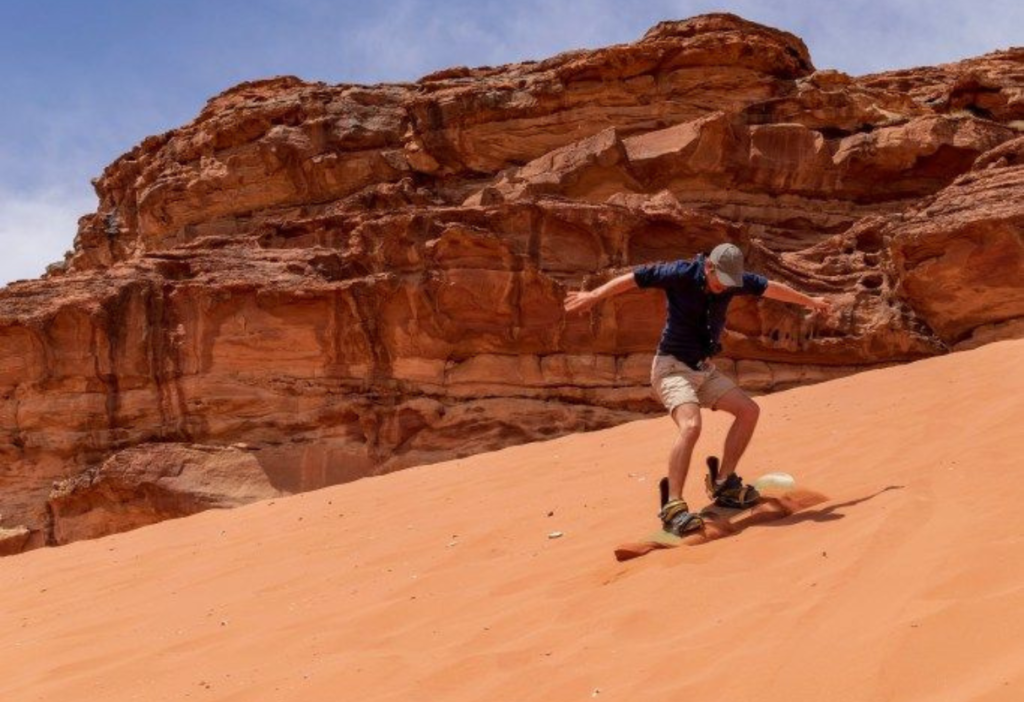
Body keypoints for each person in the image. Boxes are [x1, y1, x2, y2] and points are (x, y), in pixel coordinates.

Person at [564, 243, 831, 536]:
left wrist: (811, 302)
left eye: (730, 283)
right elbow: (635, 277)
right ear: (708, 267)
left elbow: (771, 288)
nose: (723, 288)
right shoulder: (680, 273)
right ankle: (673, 507)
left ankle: (725, 483)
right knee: (691, 426)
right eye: (720, 281)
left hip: (703, 370)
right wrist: (594, 295)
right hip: (671, 368)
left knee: (748, 411)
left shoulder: (733, 280)